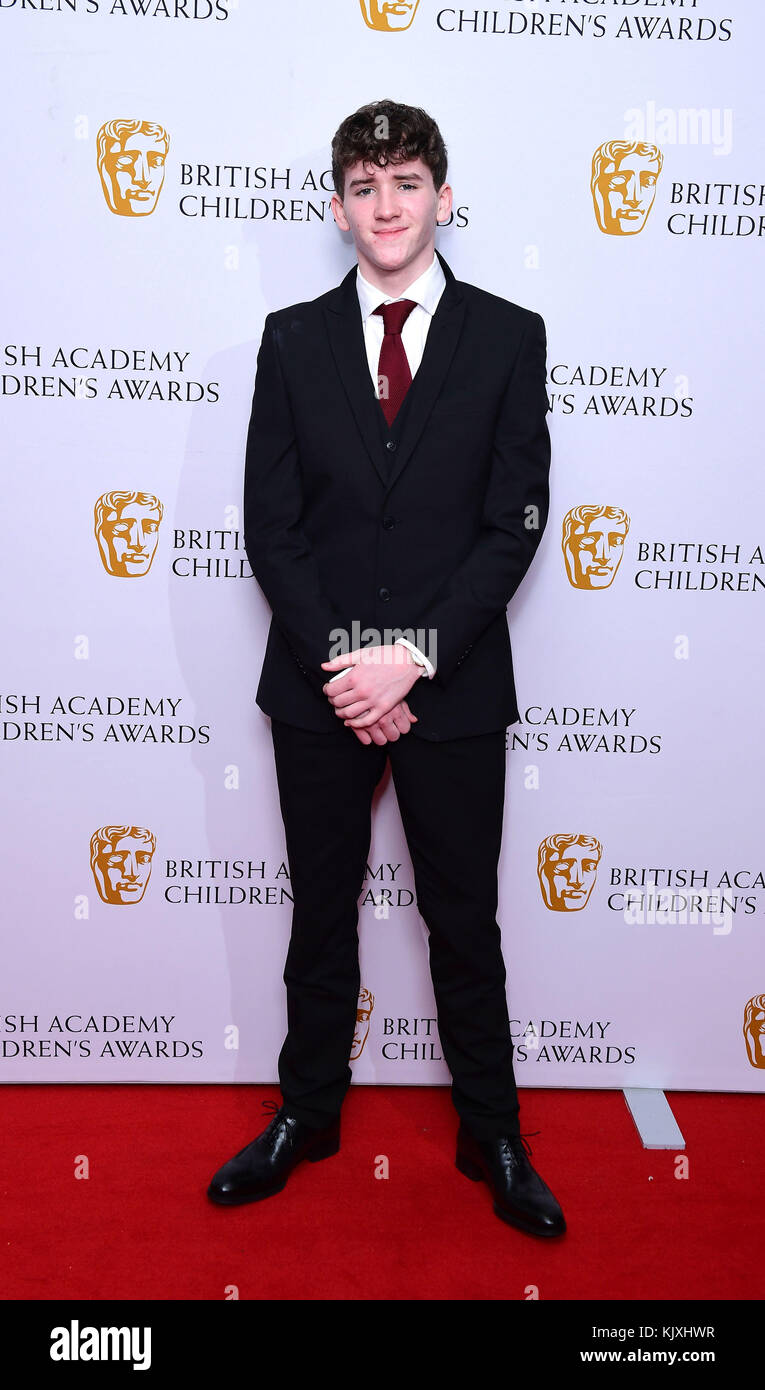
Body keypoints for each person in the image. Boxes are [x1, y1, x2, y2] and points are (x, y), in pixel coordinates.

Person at [207, 99, 565, 1238]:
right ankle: (304, 1115)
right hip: (320, 687)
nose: (387, 204)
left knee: (464, 921)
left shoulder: (508, 336)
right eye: (364, 186)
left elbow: (512, 524)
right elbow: (273, 527)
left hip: (450, 688)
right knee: (320, 915)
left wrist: (409, 661)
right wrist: (349, 668)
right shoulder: (291, 338)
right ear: (338, 208)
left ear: (442, 198)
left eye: (406, 182)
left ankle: (492, 1132)